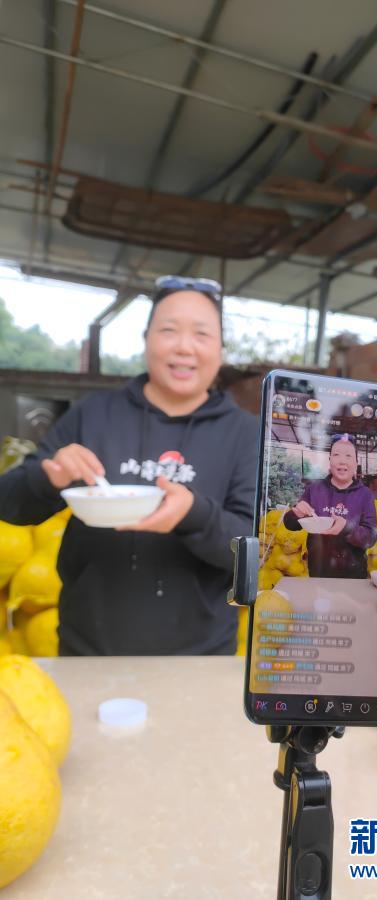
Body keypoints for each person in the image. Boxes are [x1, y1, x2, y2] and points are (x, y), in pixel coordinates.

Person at [0, 276, 258, 655]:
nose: (184, 347)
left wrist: (195, 514)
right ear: (147, 338)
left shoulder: (244, 433)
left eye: (201, 334)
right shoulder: (94, 414)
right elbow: (9, 504)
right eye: (169, 330)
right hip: (86, 650)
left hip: (199, 659)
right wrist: (48, 476)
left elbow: (257, 552)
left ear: (220, 348)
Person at [283, 433, 376, 579]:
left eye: (348, 456)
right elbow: (289, 524)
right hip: (319, 571)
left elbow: (370, 537)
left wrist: (347, 527)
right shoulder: (314, 490)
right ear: (330, 460)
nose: (342, 461)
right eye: (336, 455)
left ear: (356, 463)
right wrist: (296, 514)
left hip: (353, 574)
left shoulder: (365, 494)